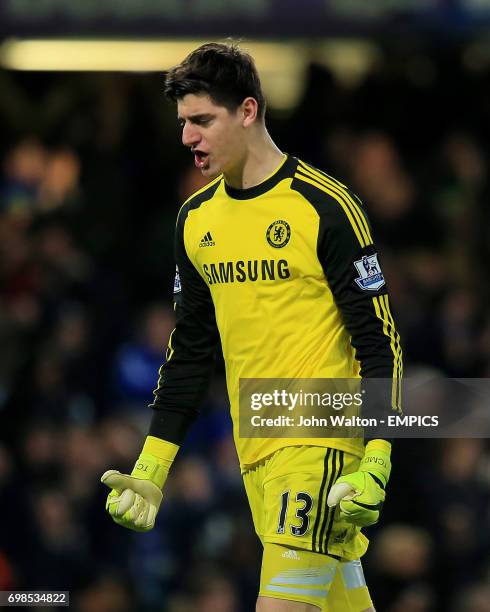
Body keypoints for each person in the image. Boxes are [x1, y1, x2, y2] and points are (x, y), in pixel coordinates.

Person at [101, 42, 402, 612]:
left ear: (247, 110)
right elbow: (189, 351)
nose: (188, 137)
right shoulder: (195, 221)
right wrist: (152, 466)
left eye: (202, 120)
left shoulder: (325, 207)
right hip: (254, 449)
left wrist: (380, 452)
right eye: (183, 123)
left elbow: (378, 338)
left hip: (320, 442)